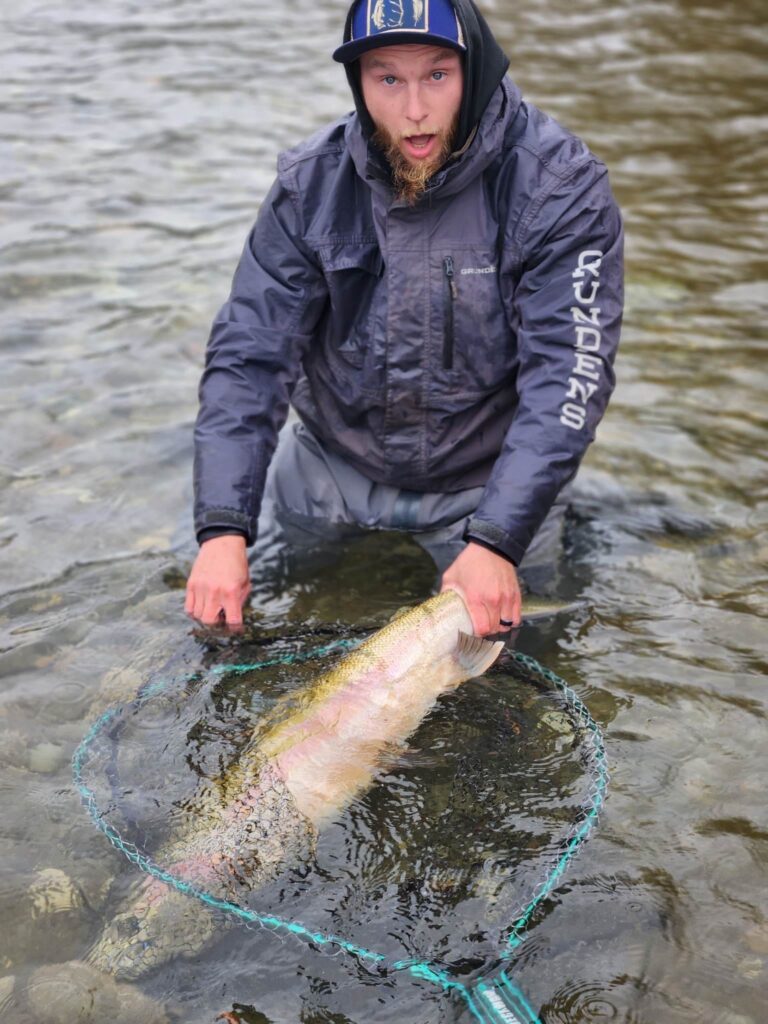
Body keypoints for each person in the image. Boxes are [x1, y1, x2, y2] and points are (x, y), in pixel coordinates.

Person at [185, 0, 623, 637]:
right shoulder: (309, 186)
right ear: (359, 82)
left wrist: (500, 539)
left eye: (438, 76)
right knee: (265, 633)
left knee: (512, 682)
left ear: (478, 71)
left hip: (484, 484)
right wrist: (223, 525)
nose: (413, 110)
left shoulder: (561, 189)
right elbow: (250, 356)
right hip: (330, 470)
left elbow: (569, 379)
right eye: (387, 78)